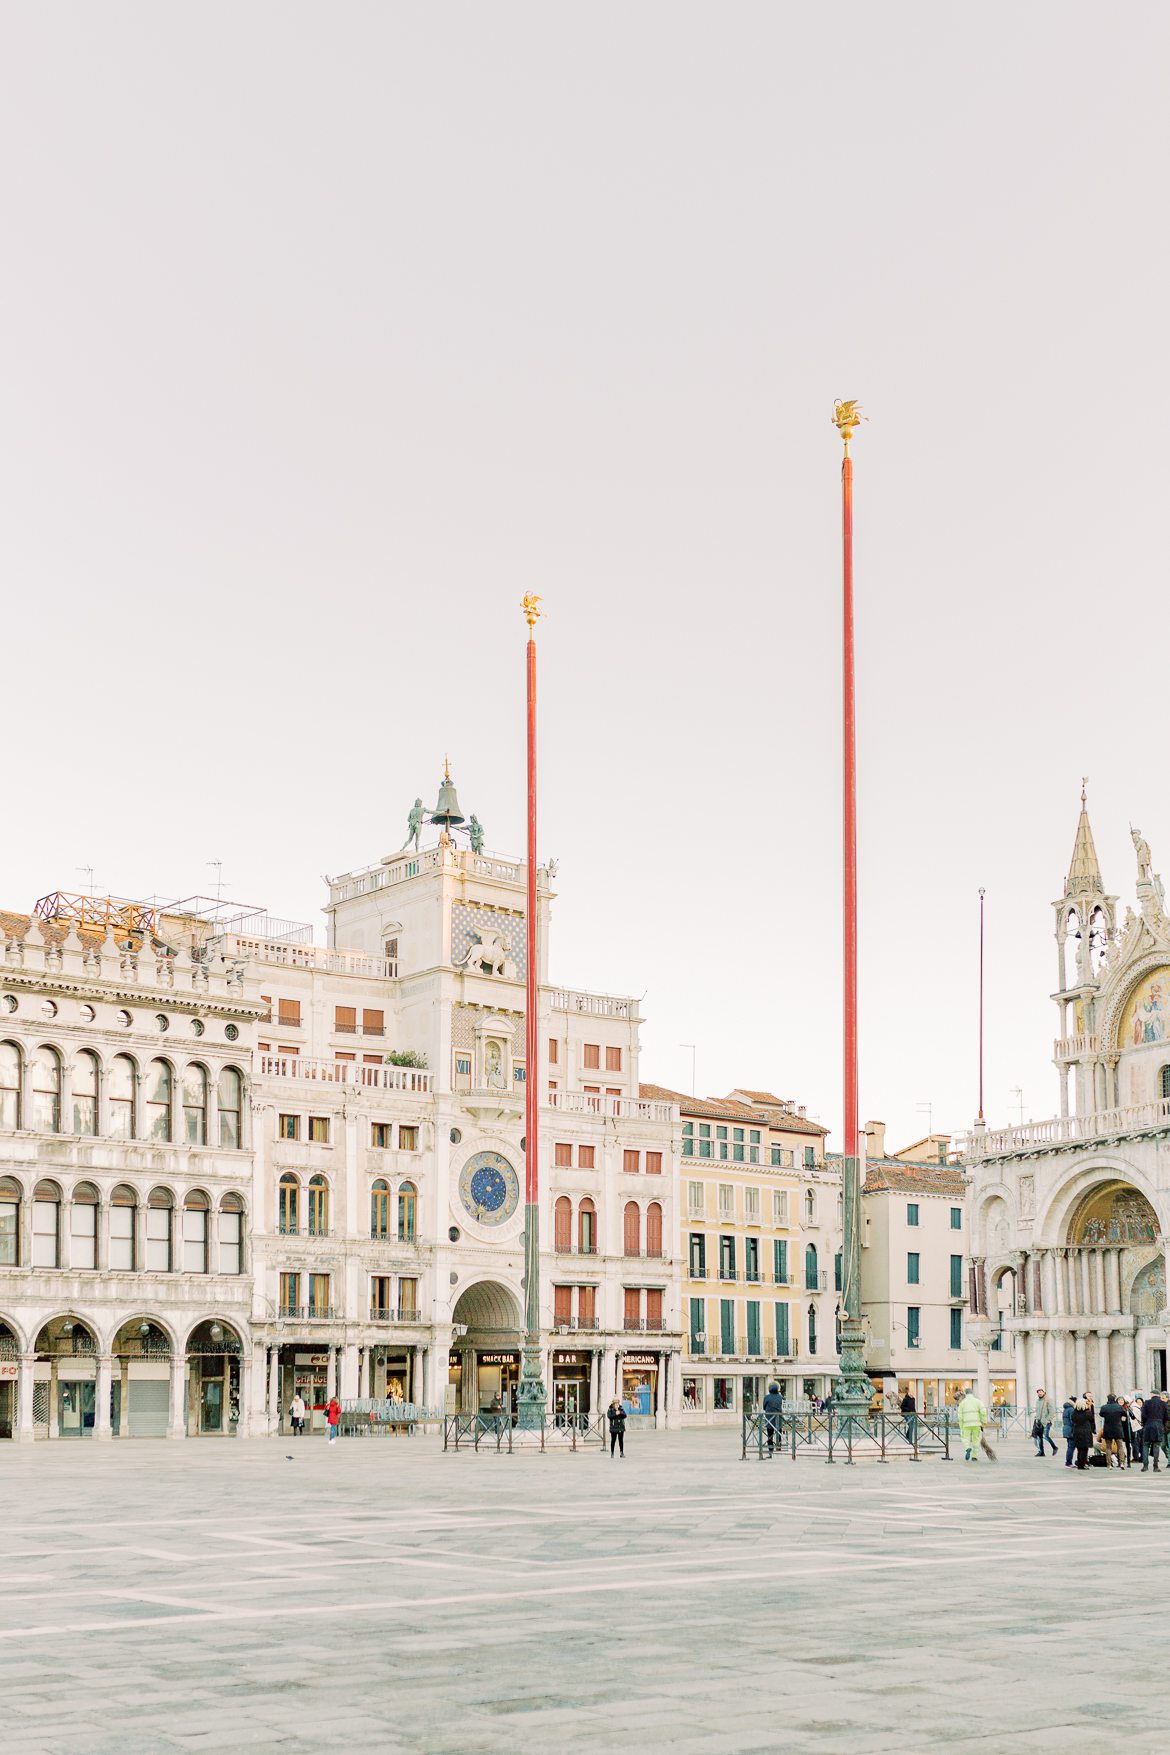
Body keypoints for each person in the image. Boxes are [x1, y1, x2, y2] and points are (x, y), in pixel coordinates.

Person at [956, 1387, 988, 1462]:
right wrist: (984, 1421)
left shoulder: (962, 1403)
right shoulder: (978, 1401)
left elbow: (960, 1417)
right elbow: (983, 1412)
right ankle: (974, 1456)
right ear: (972, 1393)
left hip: (966, 1425)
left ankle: (967, 1448)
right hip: (977, 1424)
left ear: (966, 1394)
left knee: (965, 1438)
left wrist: (961, 1427)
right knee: (976, 1440)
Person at [1100, 1393, 1128, 1470]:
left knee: (1108, 1447)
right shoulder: (1119, 1407)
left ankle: (1109, 1464)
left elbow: (1101, 1414)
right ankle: (1122, 1463)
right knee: (1120, 1446)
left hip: (1108, 1428)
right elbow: (1125, 1414)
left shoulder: (1104, 1407)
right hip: (1118, 1428)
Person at [1140, 1390, 1165, 1471]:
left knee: (1145, 1445)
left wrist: (1145, 1423)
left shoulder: (1147, 1402)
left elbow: (1143, 1415)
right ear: (1159, 1395)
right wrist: (1161, 1423)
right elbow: (1167, 1416)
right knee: (1156, 1445)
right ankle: (1155, 1466)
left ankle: (1145, 1466)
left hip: (1148, 1425)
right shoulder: (1163, 1403)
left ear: (1152, 1395)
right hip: (1158, 1425)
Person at [1070, 1398, 1095, 1470]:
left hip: (1077, 1431)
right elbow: (1091, 1419)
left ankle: (1079, 1464)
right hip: (1085, 1431)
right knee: (1084, 1449)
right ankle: (1082, 1465)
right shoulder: (1087, 1412)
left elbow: (1073, 1420)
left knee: (1079, 1448)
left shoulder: (1074, 1412)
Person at [1032, 1388, 1057, 1457]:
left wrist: (1047, 1420)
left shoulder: (1048, 1400)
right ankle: (1041, 1452)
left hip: (1046, 1422)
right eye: (1038, 1392)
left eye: (1041, 1392)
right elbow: (1038, 1412)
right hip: (1039, 1422)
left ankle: (1054, 1447)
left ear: (1044, 1392)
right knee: (1039, 1437)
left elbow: (1052, 1411)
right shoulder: (1038, 1401)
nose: (1039, 1393)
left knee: (1045, 1436)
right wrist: (1037, 1419)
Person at [762, 1381, 784, 1455]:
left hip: (769, 1418)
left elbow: (764, 1407)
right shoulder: (780, 1397)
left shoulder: (766, 1397)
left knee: (770, 1434)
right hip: (778, 1418)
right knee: (779, 1433)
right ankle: (778, 1446)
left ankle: (770, 1448)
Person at [1061, 1397, 1076, 1467]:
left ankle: (1068, 1462)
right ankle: (1068, 1462)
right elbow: (1073, 1420)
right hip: (1071, 1430)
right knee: (1071, 1447)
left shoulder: (1066, 1409)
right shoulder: (1071, 1409)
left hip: (1066, 1429)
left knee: (1070, 1446)